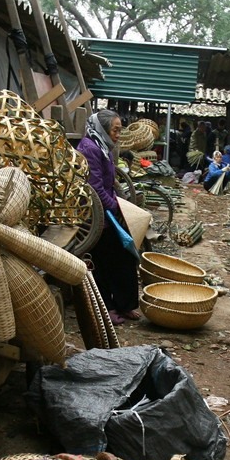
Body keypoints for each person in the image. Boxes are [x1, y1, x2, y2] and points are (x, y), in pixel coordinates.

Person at [77, 109, 140, 325]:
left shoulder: (103, 146)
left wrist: (121, 205)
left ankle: (125, 305)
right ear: (103, 128)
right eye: (115, 130)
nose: (118, 135)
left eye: (119, 130)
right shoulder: (90, 148)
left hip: (109, 210)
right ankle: (108, 307)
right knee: (103, 261)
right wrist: (116, 207)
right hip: (95, 216)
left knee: (126, 254)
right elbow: (94, 188)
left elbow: (110, 184)